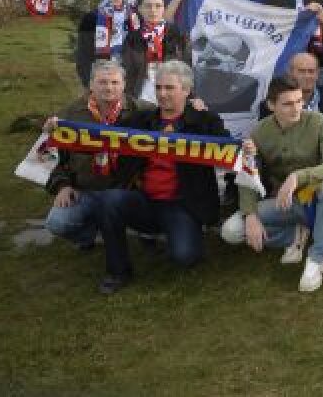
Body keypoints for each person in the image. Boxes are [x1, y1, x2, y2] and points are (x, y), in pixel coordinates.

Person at [94, 61, 228, 294]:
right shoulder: (140, 120)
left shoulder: (205, 121)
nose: (162, 94)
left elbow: (228, 148)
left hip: (182, 205)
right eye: (158, 88)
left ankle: (180, 235)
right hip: (144, 200)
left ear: (186, 91)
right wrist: (56, 127)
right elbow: (98, 134)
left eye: (169, 88)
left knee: (186, 257)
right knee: (109, 200)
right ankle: (117, 271)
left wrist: (245, 148)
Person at [219, 75, 323, 292]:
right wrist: (249, 215)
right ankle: (293, 235)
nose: (296, 108)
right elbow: (248, 175)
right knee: (231, 231)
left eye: (299, 101)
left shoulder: (319, 122)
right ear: (271, 105)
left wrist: (297, 176)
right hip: (285, 203)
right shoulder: (259, 131)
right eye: (288, 104)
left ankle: (317, 259)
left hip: (318, 200)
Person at [42, 61, 153, 249]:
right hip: (84, 190)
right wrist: (63, 185)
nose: (109, 88)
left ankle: (133, 226)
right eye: (102, 82)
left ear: (124, 84)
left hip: (125, 191)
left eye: (114, 82)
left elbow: (173, 114)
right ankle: (87, 234)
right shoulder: (71, 114)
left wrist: (194, 106)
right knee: (57, 223)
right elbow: (54, 157)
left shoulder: (143, 110)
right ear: (91, 84)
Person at [121, 0, 187, 101]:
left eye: (158, 6)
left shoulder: (177, 35)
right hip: (142, 91)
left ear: (163, 9)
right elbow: (128, 71)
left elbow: (187, 67)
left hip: (172, 90)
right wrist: (128, 97)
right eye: (148, 6)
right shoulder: (132, 37)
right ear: (140, 10)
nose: (153, 10)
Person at [75, 0, 132, 85]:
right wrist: (90, 86)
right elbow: (83, 59)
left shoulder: (134, 15)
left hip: (131, 84)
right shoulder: (91, 18)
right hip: (102, 84)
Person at [259, 52, 323, 130]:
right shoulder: (272, 104)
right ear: (290, 73)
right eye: (301, 71)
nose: (307, 76)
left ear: (317, 74)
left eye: (311, 71)